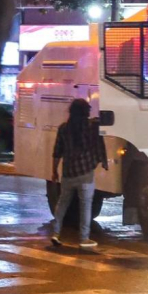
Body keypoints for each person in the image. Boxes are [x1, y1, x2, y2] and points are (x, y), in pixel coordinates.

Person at [51, 98, 109, 249]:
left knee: (62, 203)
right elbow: (99, 135)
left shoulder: (63, 128)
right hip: (85, 174)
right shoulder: (91, 128)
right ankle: (84, 238)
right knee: (85, 206)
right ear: (85, 112)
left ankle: (55, 233)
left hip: (68, 173)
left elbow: (57, 152)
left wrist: (54, 171)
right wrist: (102, 160)